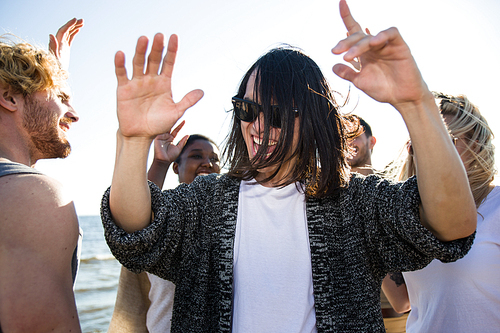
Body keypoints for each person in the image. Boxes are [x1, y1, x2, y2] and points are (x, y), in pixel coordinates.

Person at [101, 1, 477, 331]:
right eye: (248, 110)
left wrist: (415, 102)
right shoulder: (206, 202)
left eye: (277, 114)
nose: (259, 126)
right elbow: (135, 233)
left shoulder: (355, 204)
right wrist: (134, 141)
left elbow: (451, 228)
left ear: (315, 120)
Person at [382, 93, 499, 332]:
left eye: (445, 139)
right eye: (421, 140)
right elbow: (402, 300)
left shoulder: (496, 204)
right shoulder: (406, 214)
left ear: (475, 144)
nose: (429, 149)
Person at [0, 18, 83, 332]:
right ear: (9, 98)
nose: (75, 114)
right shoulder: (33, 196)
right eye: (62, 99)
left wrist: (53, 78)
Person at [108, 124, 221, 333]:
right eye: (197, 156)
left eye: (214, 158)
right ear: (176, 167)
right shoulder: (167, 214)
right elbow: (136, 223)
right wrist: (160, 163)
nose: (208, 163)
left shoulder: (228, 215)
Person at [347, 116, 408, 332]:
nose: (348, 142)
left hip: (401, 321)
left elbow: (402, 300)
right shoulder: (328, 199)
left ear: (372, 141)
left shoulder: (394, 191)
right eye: (342, 138)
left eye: (354, 136)